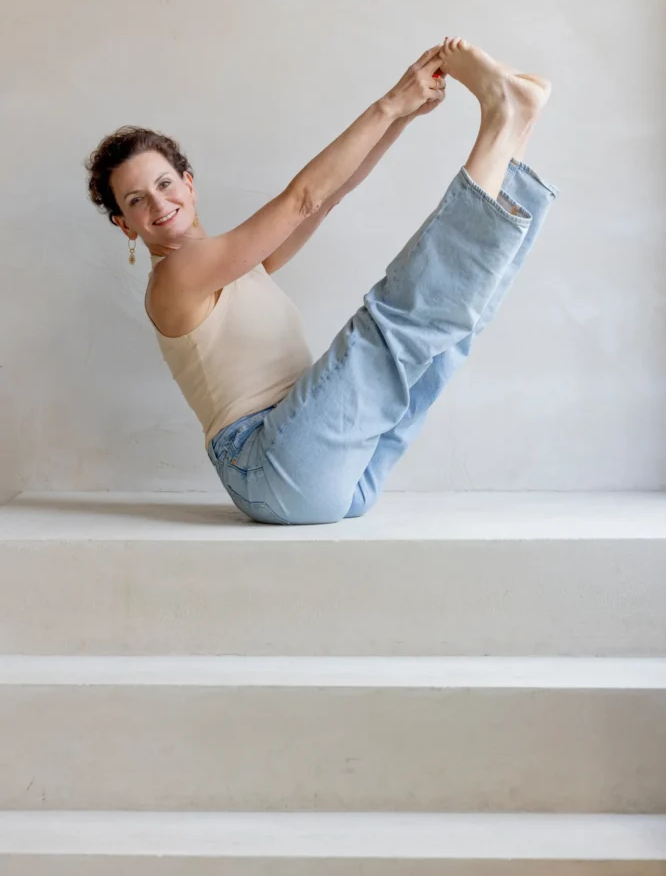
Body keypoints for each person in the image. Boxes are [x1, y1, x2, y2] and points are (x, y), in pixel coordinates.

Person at [86, 37, 557, 525]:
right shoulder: (175, 277)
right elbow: (303, 199)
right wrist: (390, 102)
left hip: (324, 467)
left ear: (188, 184)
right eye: (136, 200)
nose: (158, 203)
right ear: (125, 224)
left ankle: (516, 129)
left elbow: (329, 196)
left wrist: (404, 116)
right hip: (271, 466)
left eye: (164, 183)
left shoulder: (238, 266)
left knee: (446, 337)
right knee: (393, 326)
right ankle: (501, 119)